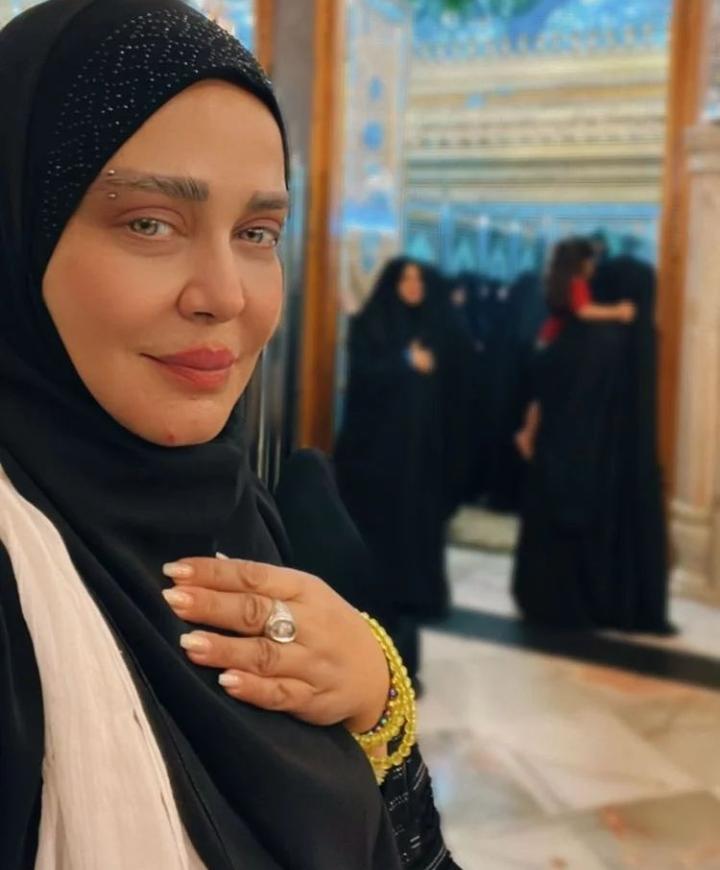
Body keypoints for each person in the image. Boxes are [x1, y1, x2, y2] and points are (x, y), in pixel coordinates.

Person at [0, 3, 460, 868]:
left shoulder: (241, 515)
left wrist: (377, 698)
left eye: (257, 233)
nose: (225, 295)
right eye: (149, 222)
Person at [512, 243, 673, 634]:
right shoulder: (618, 338)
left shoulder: (577, 332)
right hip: (598, 461)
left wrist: (533, 427)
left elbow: (545, 380)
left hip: (563, 452)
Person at [334, 258, 458, 684]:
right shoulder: (372, 324)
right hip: (376, 454)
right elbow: (366, 374)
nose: (414, 285)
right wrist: (406, 361)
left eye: (419, 278)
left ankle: (415, 596)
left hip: (420, 452)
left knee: (416, 522)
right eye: (406, 278)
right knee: (381, 530)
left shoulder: (433, 325)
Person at [515, 238, 635, 461]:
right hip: (556, 343)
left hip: (545, 340)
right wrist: (618, 311)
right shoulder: (577, 283)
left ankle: (528, 433)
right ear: (581, 262)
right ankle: (528, 434)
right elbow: (584, 310)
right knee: (547, 396)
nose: (593, 265)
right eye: (591, 260)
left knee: (540, 396)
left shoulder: (557, 281)